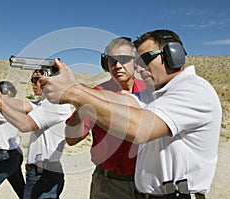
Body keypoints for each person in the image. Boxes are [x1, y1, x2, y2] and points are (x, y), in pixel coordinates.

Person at [40, 29, 222, 199]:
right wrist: (74, 88)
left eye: (145, 60)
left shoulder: (193, 90)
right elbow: (120, 100)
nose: (140, 68)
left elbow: (140, 129)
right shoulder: (155, 93)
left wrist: (75, 93)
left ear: (172, 55)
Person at [65, 37, 151, 199]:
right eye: (112, 61)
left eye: (124, 60)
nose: (117, 65)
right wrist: (80, 105)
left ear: (136, 62)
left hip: (148, 181)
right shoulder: (96, 93)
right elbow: (71, 139)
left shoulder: (150, 91)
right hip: (109, 184)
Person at [0, 70, 72, 199]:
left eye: (36, 80)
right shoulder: (43, 104)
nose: (33, 84)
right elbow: (20, 105)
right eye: (32, 80)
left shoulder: (54, 106)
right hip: (38, 172)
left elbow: (24, 125)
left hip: (44, 173)